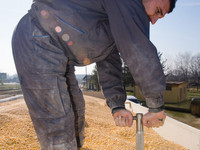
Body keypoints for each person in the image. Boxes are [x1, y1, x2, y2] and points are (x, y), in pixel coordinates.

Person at [12, 0, 177, 149]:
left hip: (60, 55)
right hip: (38, 38)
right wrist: (156, 105)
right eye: (158, 11)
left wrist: (117, 106)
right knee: (58, 126)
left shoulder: (116, 16)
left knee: (76, 112)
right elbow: (137, 47)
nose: (154, 20)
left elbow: (109, 61)